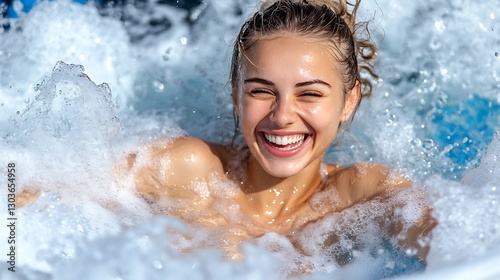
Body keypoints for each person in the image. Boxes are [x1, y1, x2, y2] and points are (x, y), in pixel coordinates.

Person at [18, 0, 436, 273]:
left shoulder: (358, 196)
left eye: (309, 94)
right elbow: (34, 191)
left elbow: (443, 229)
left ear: (348, 102)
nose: (283, 115)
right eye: (261, 91)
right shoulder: (187, 171)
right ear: (236, 96)